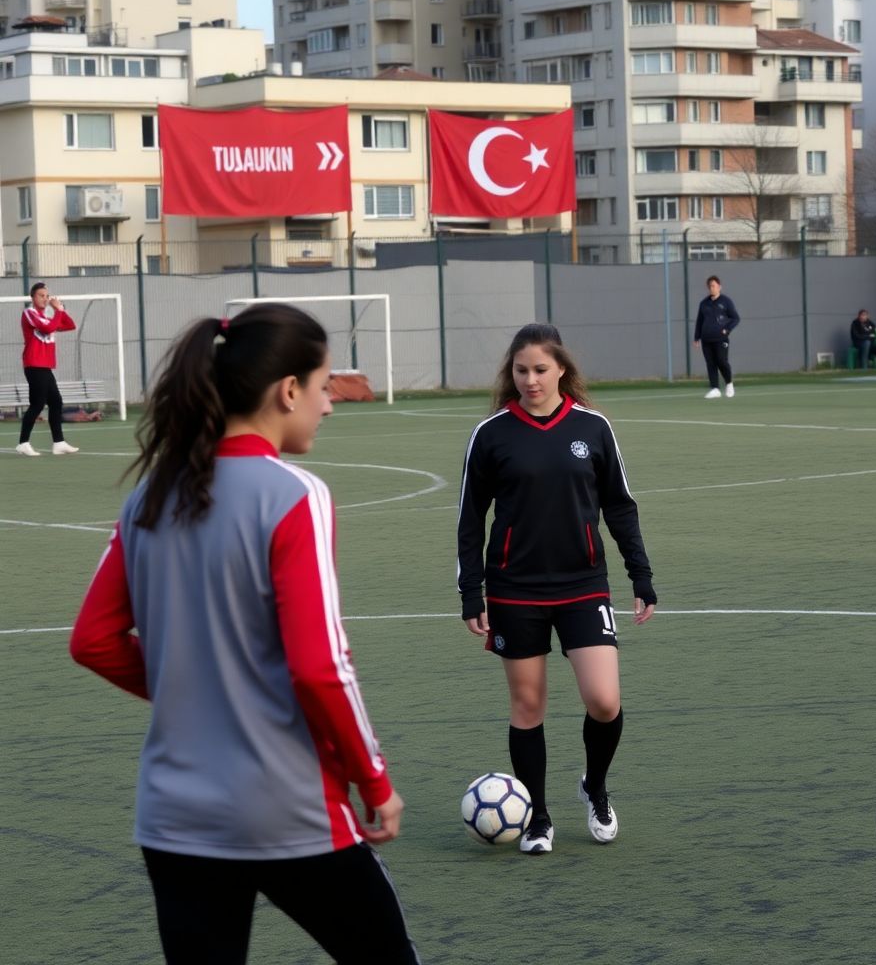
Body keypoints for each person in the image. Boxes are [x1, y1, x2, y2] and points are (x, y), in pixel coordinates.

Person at [69, 304, 420, 965]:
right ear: (287, 391)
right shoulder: (294, 494)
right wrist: (375, 782)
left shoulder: (146, 498)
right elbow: (321, 667)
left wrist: (196, 691)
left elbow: (93, 640)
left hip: (174, 815)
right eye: (324, 387)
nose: (330, 405)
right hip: (287, 804)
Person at [457, 323, 657, 855]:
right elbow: (471, 518)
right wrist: (470, 593)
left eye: (540, 370)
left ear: (562, 369)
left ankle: (594, 786)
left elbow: (619, 504)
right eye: (521, 371)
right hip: (513, 589)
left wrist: (641, 574)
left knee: (604, 700)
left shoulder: (593, 428)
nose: (530, 380)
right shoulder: (492, 434)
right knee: (528, 706)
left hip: (582, 584)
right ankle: (538, 817)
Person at [16, 282, 79, 456]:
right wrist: (58, 312)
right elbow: (48, 328)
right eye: (41, 295)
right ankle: (23, 442)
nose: (45, 298)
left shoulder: (47, 317)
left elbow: (70, 325)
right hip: (34, 364)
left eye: (46, 296)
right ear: (33, 297)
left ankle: (58, 443)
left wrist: (60, 310)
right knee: (37, 404)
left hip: (45, 366)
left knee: (56, 402)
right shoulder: (29, 313)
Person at [693, 274, 740, 399]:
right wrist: (697, 337)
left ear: (719, 287)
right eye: (710, 286)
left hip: (721, 339)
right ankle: (715, 389)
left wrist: (727, 330)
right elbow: (699, 321)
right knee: (710, 364)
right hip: (706, 339)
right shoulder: (704, 303)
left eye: (713, 286)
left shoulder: (726, 302)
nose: (711, 288)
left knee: (721, 361)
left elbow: (735, 318)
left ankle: (729, 384)